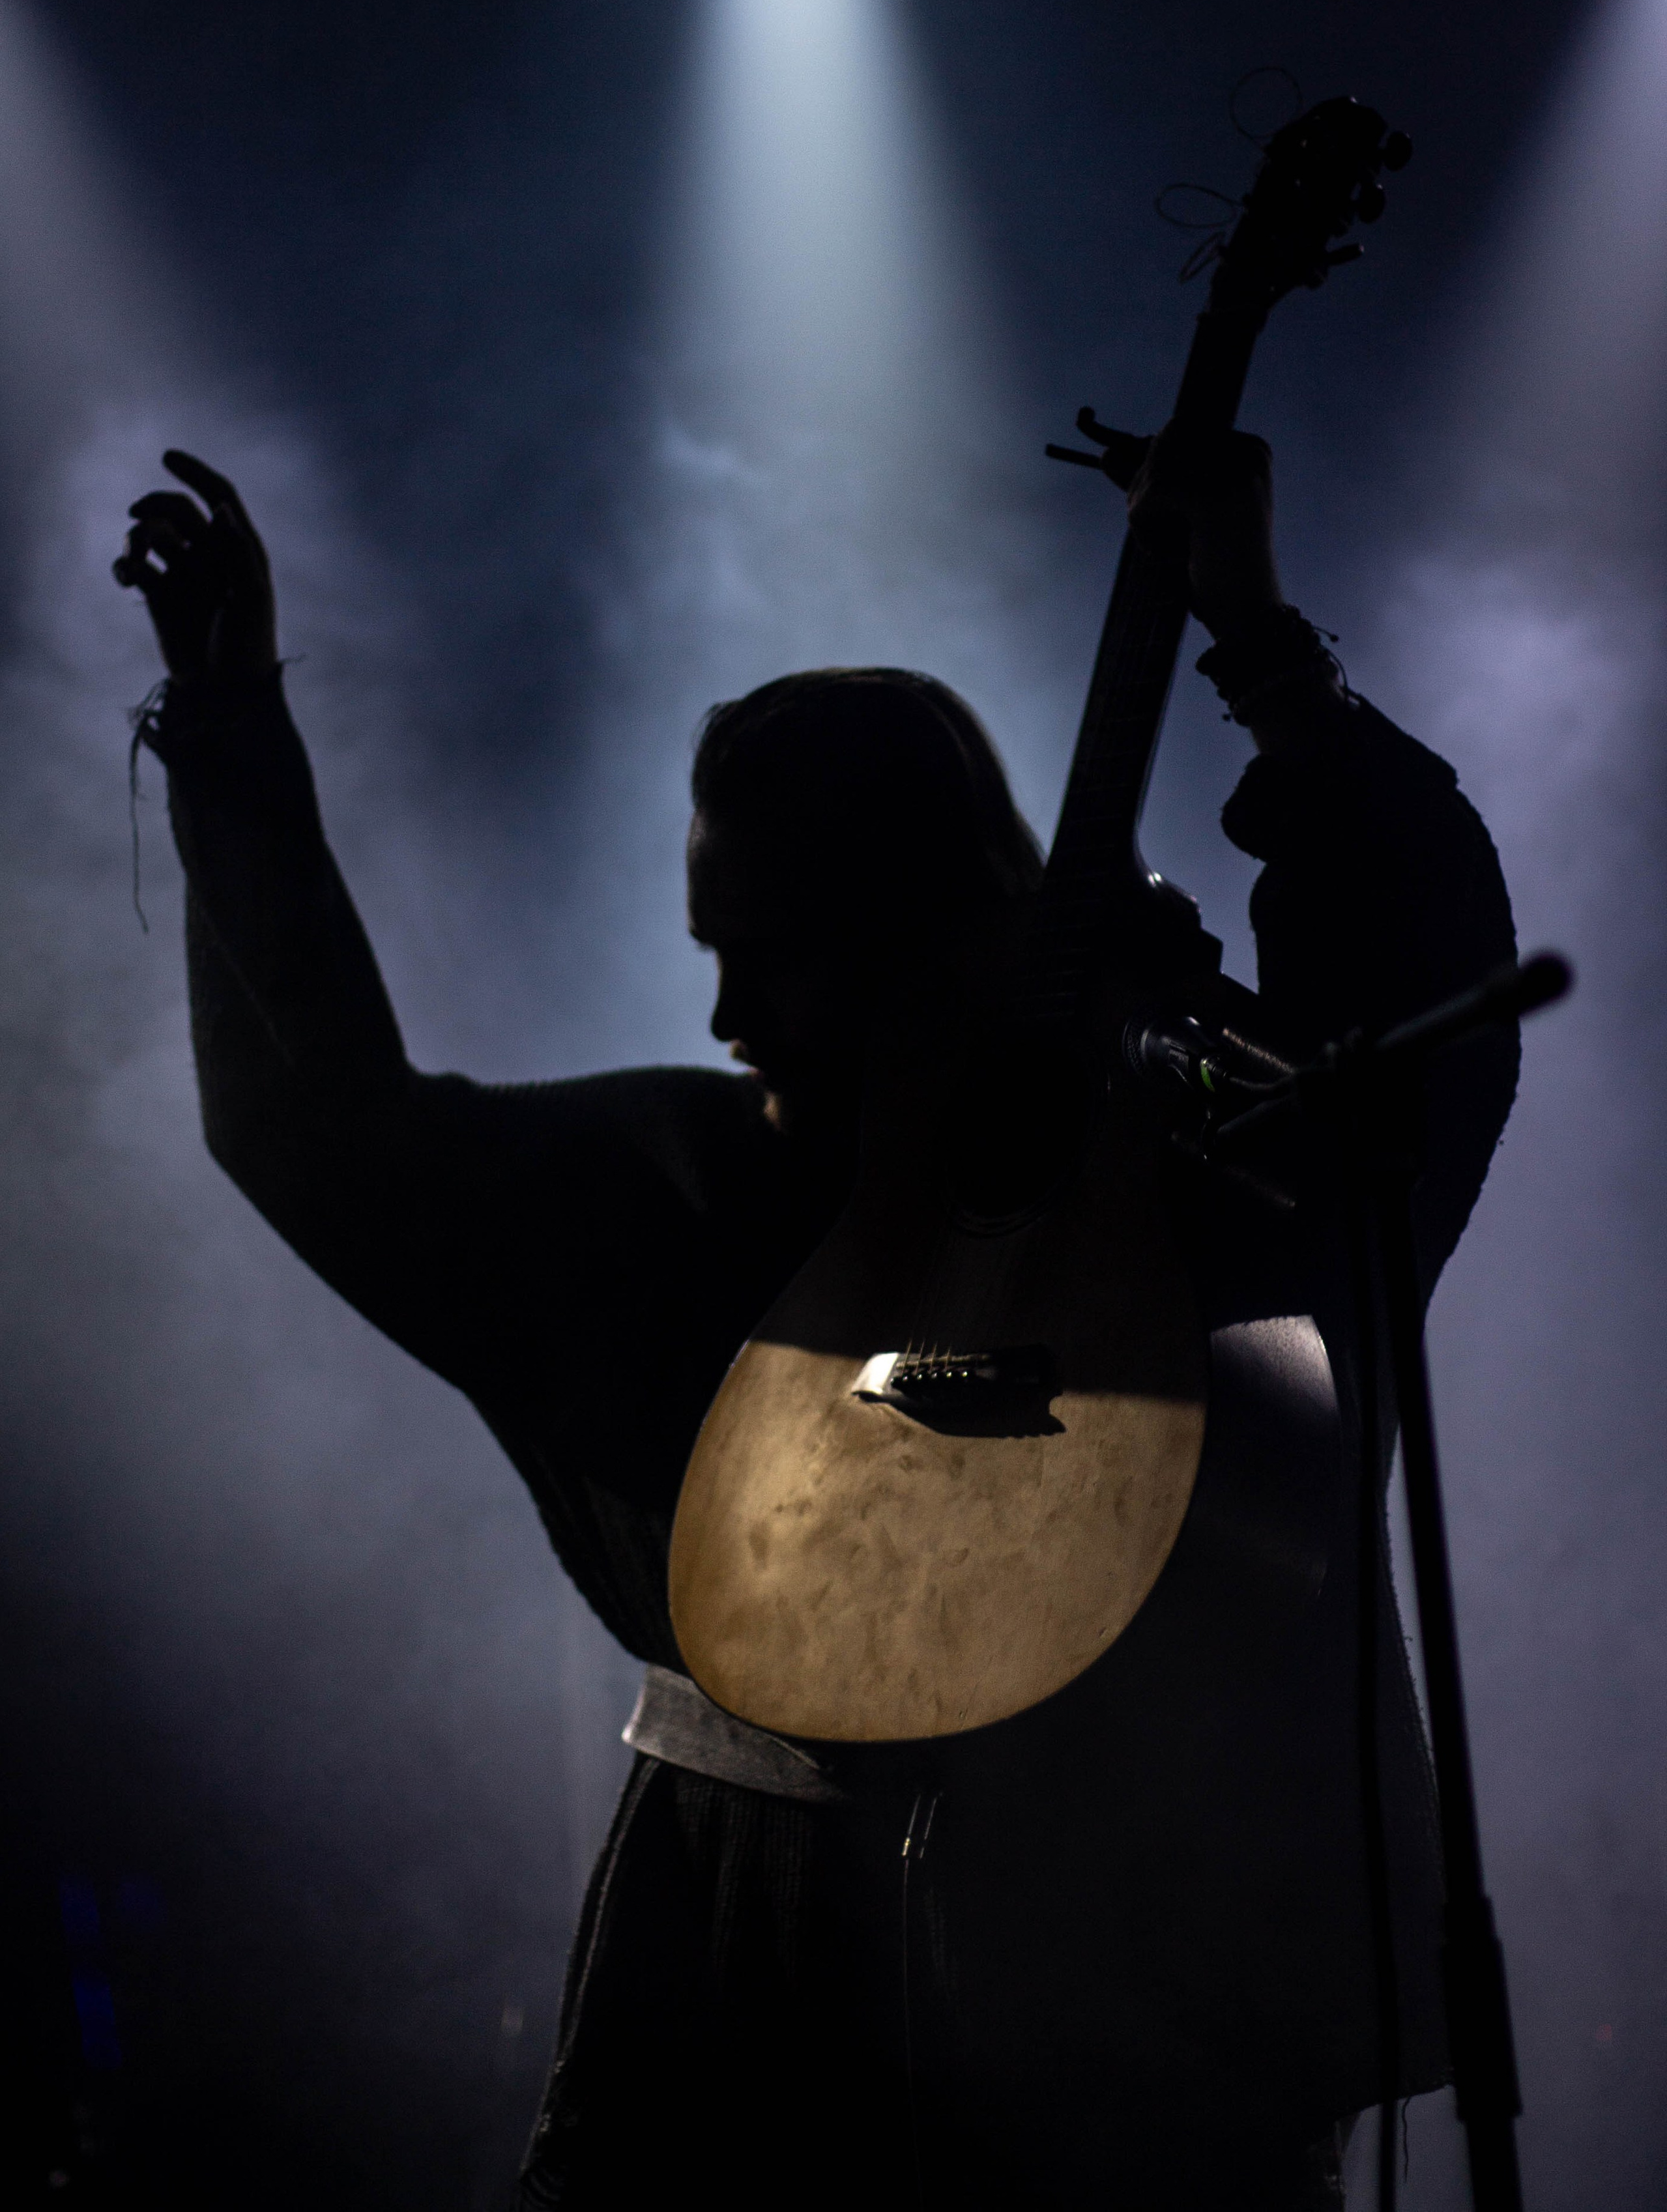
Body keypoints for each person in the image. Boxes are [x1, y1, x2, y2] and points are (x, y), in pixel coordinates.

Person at [114, 429, 1518, 2209]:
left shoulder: (1200, 1202)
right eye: (710, 943)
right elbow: (333, 1130)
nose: (723, 1011)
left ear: (936, 934)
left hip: (1153, 2054)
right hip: (743, 2014)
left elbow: (1421, 1041)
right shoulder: (674, 1195)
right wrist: (230, 731)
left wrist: (1263, 647)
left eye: (769, 950)